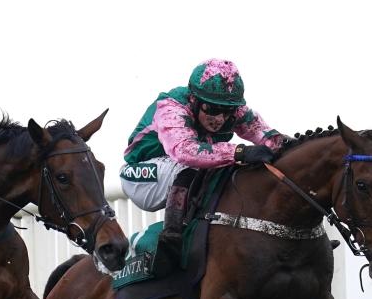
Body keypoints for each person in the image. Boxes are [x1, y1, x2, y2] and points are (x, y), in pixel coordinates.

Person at [119, 58, 287, 273]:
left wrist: (292, 148)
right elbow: (185, 151)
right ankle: (171, 240)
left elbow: (270, 139)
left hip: (178, 170)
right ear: (194, 99)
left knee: (232, 168)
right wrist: (240, 151)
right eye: (212, 109)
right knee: (192, 166)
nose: (219, 118)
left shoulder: (236, 111)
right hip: (140, 175)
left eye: (227, 111)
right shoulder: (171, 106)